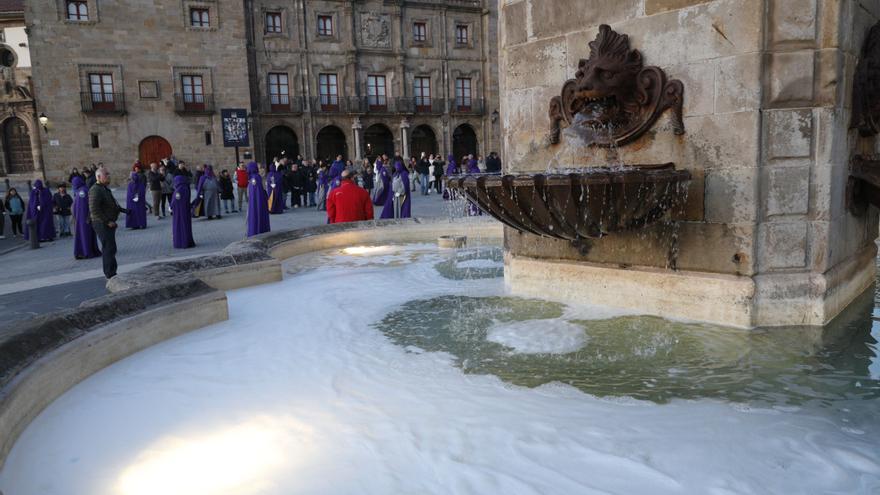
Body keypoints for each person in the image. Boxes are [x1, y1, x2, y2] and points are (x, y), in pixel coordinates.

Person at [89, 168, 128, 279]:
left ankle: (112, 272)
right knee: (108, 248)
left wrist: (123, 210)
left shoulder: (104, 189)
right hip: (101, 223)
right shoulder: (95, 190)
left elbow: (111, 204)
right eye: (106, 175)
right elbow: (94, 209)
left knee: (111, 247)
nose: (108, 176)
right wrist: (107, 221)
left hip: (108, 222)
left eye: (108, 174)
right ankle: (110, 274)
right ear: (98, 177)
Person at [70, 176, 100, 259]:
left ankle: (86, 251)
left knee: (84, 235)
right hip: (81, 219)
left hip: (83, 219)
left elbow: (85, 206)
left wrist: (88, 216)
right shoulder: (82, 190)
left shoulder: (82, 191)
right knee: (86, 235)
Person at [246, 161, 271, 237]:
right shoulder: (254, 177)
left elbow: (258, 191)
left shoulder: (255, 177)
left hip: (257, 203)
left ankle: (256, 231)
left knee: (256, 217)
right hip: (256, 202)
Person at [171, 175, 196, 248]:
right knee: (186, 226)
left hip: (179, 212)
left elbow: (176, 200)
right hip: (186, 210)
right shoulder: (186, 188)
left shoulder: (179, 189)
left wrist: (171, 206)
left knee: (180, 226)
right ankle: (188, 241)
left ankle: (181, 242)